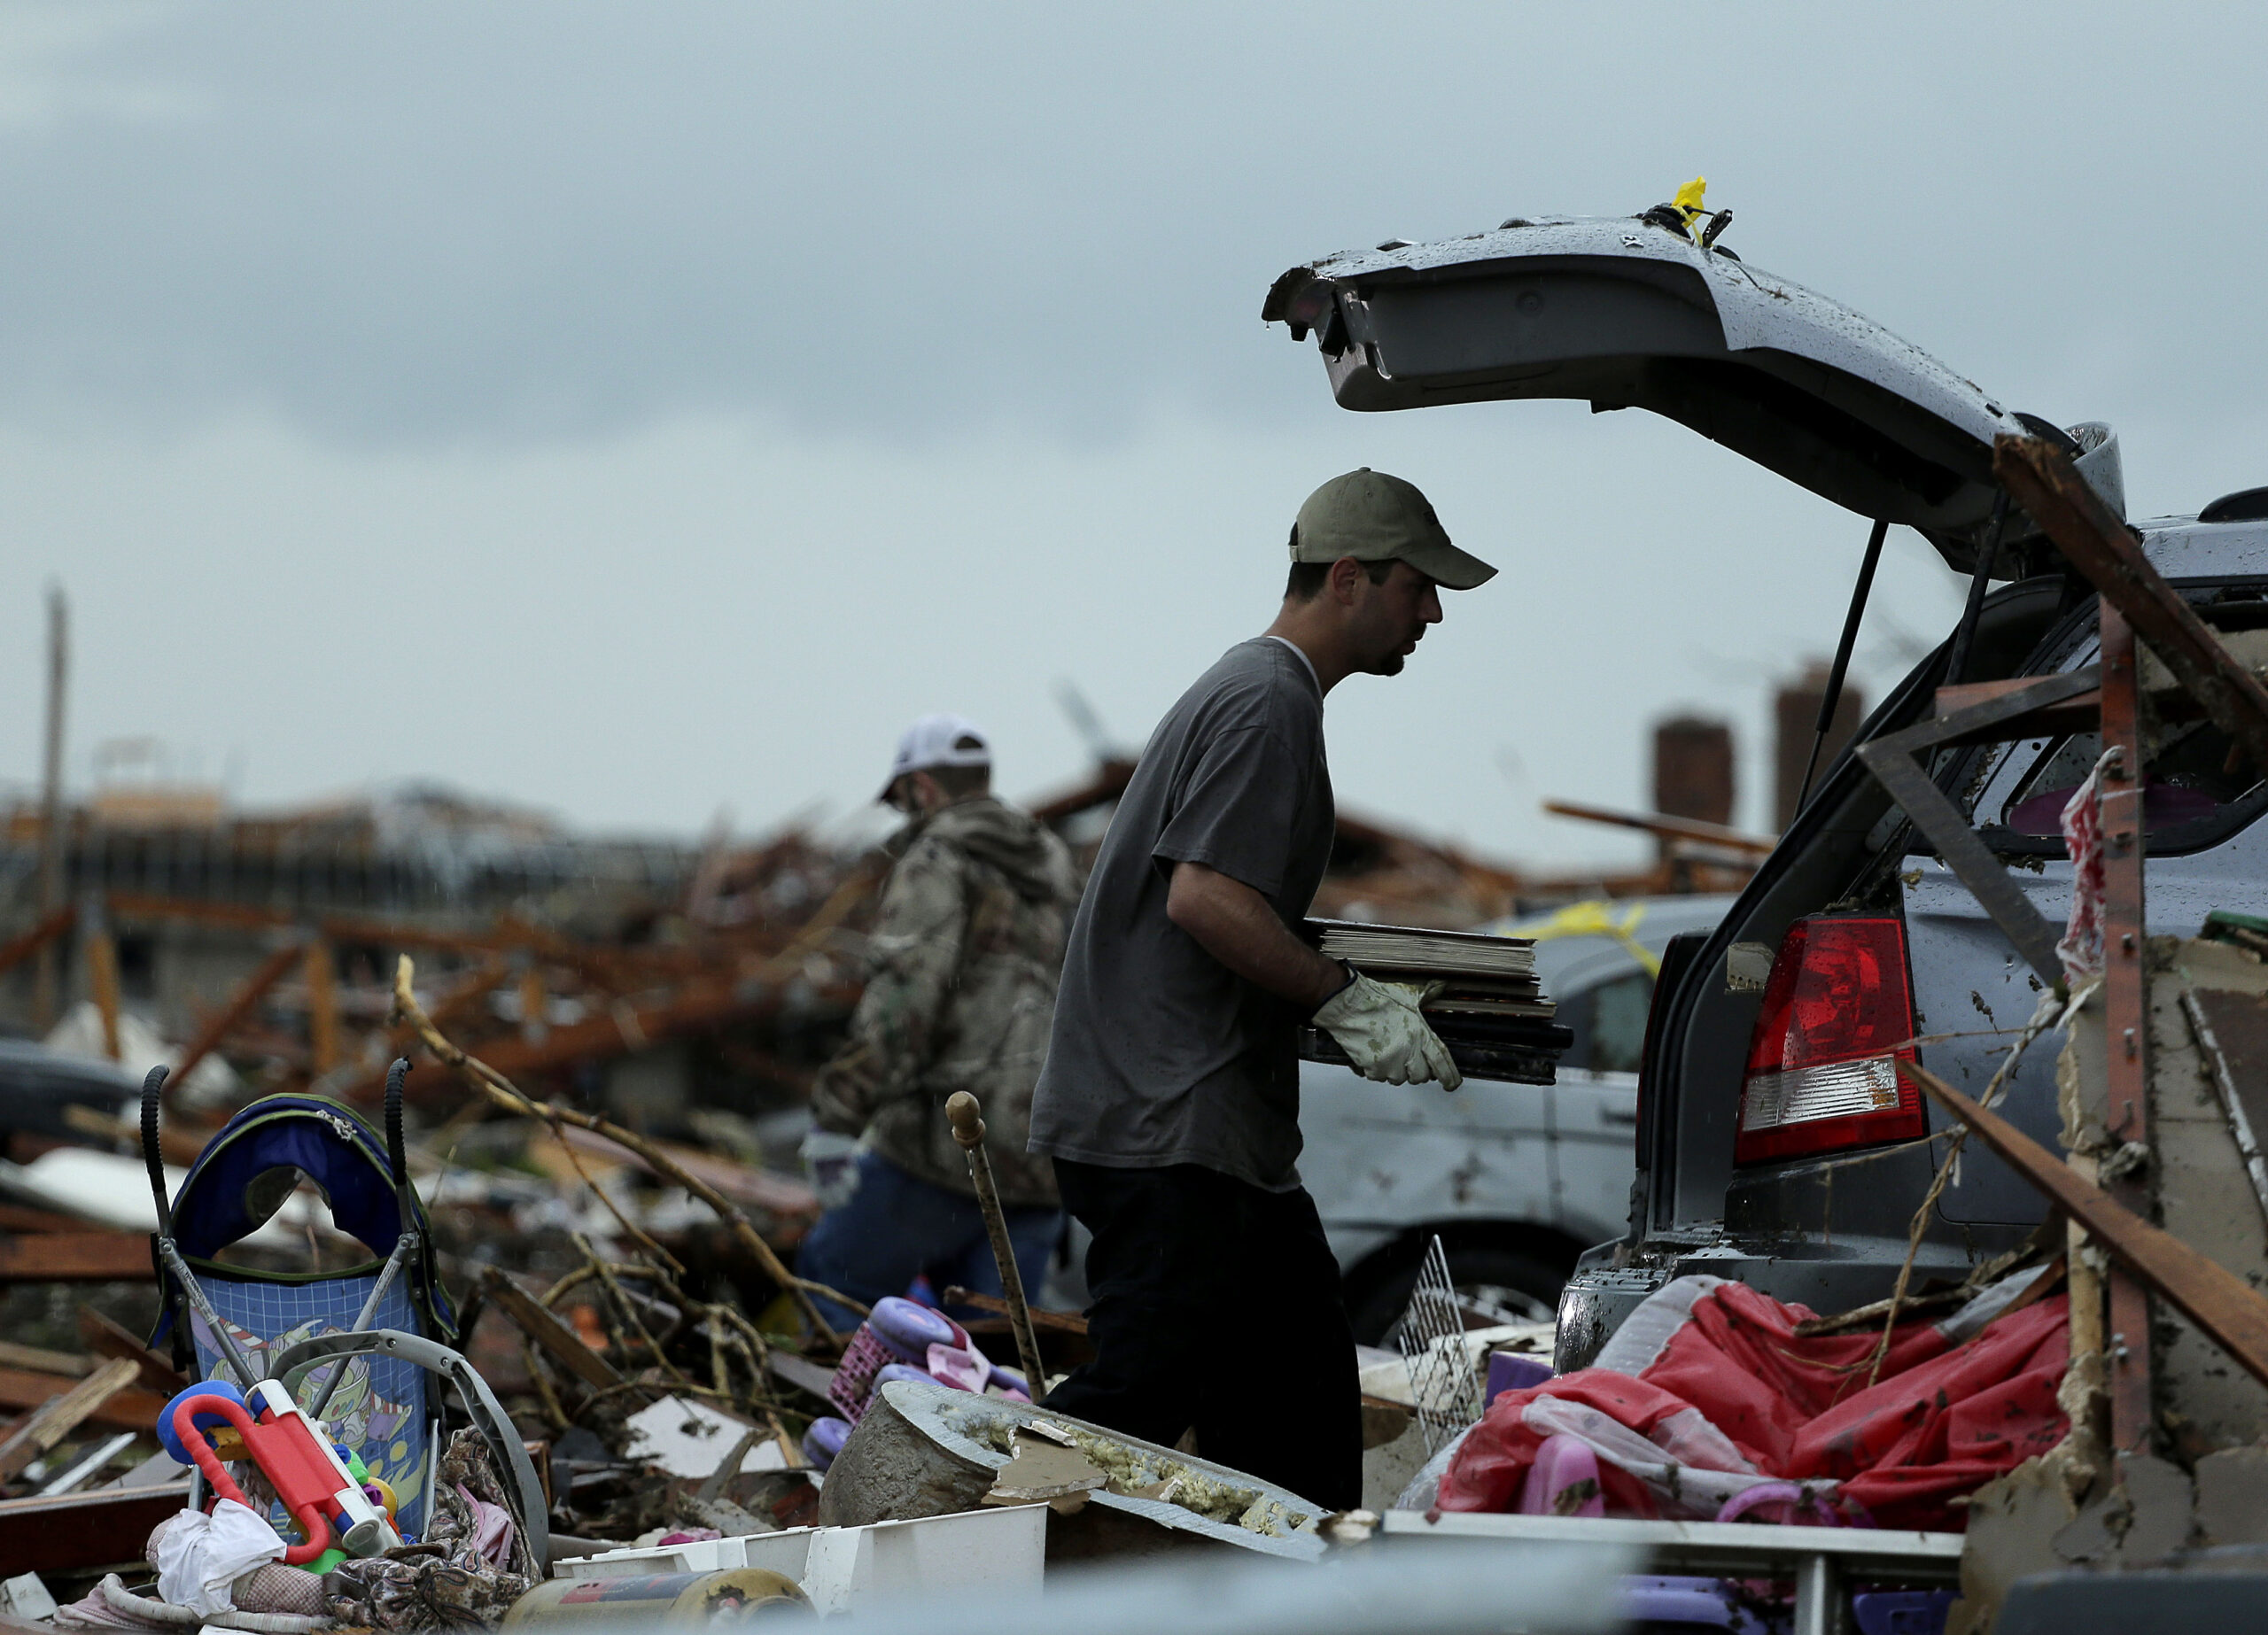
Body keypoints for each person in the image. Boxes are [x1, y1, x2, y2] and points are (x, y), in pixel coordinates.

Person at [1027, 469, 1494, 1509]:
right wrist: (1344, 994)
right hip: (1167, 1132)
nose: (1433, 610)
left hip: (1214, 1139)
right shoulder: (1266, 701)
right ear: (1346, 578)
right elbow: (1208, 901)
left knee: (1293, 1431)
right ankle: (957, 1552)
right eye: (1419, 585)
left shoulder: (1261, 693)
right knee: (1134, 1406)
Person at [796, 714, 1082, 1338]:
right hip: (1041, 1164)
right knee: (989, 1366)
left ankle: (829, 1434)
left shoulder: (938, 858)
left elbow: (904, 1004)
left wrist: (836, 1120)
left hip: (940, 1147)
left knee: (833, 1296)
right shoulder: (1059, 869)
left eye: (902, 799)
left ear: (922, 788)